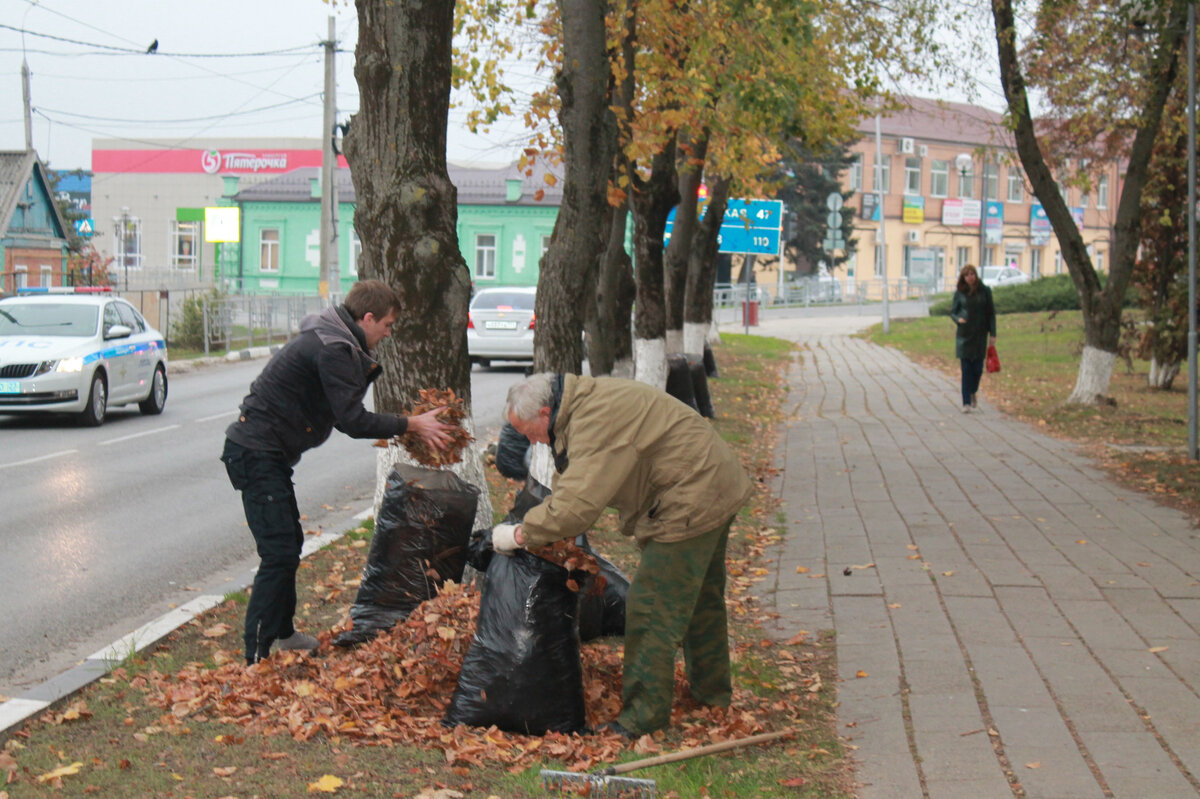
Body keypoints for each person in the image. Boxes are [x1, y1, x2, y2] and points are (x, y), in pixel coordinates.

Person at [491, 373, 753, 738]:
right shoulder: (582, 404)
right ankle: (711, 695)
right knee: (700, 600)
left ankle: (642, 718)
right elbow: (577, 473)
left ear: (546, 412)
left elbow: (577, 507)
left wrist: (520, 534)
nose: (529, 439)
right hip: (712, 482)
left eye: (529, 431)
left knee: (650, 611)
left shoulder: (594, 421)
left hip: (691, 497)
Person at [221, 279, 454, 665]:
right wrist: (411, 425)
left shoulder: (331, 336)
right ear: (367, 318)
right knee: (279, 552)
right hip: (255, 453)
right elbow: (353, 420)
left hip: (266, 453)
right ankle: (255, 657)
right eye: (387, 325)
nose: (388, 333)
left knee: (288, 545)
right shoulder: (334, 348)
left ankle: (282, 633)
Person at [951, 264, 996, 414]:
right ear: (963, 278)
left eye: (972, 274)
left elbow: (991, 314)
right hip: (964, 336)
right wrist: (958, 319)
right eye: (967, 275)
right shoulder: (960, 293)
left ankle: (972, 391)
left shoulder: (985, 292)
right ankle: (966, 402)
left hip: (979, 335)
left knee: (977, 369)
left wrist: (993, 334)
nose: (970, 277)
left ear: (976, 276)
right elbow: (953, 312)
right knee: (966, 370)